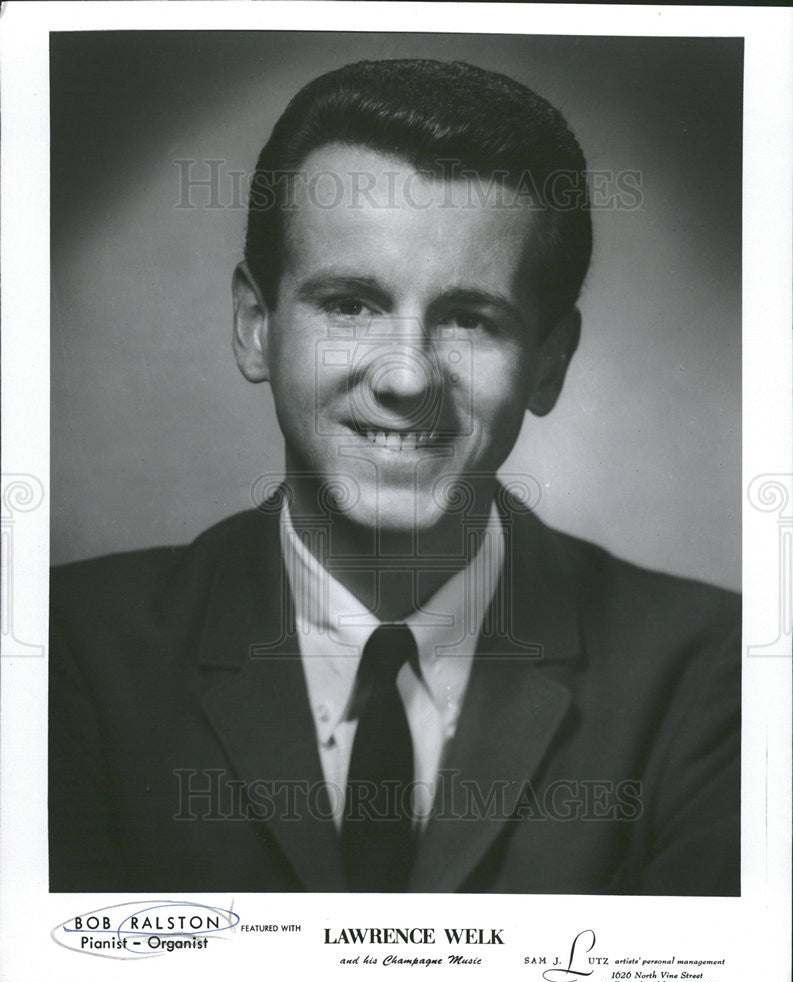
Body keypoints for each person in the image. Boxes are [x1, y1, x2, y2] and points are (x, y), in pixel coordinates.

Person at [49, 58, 740, 894]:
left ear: (550, 362)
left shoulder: (714, 677)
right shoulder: (64, 655)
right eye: (349, 305)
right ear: (254, 328)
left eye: (469, 319)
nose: (406, 377)